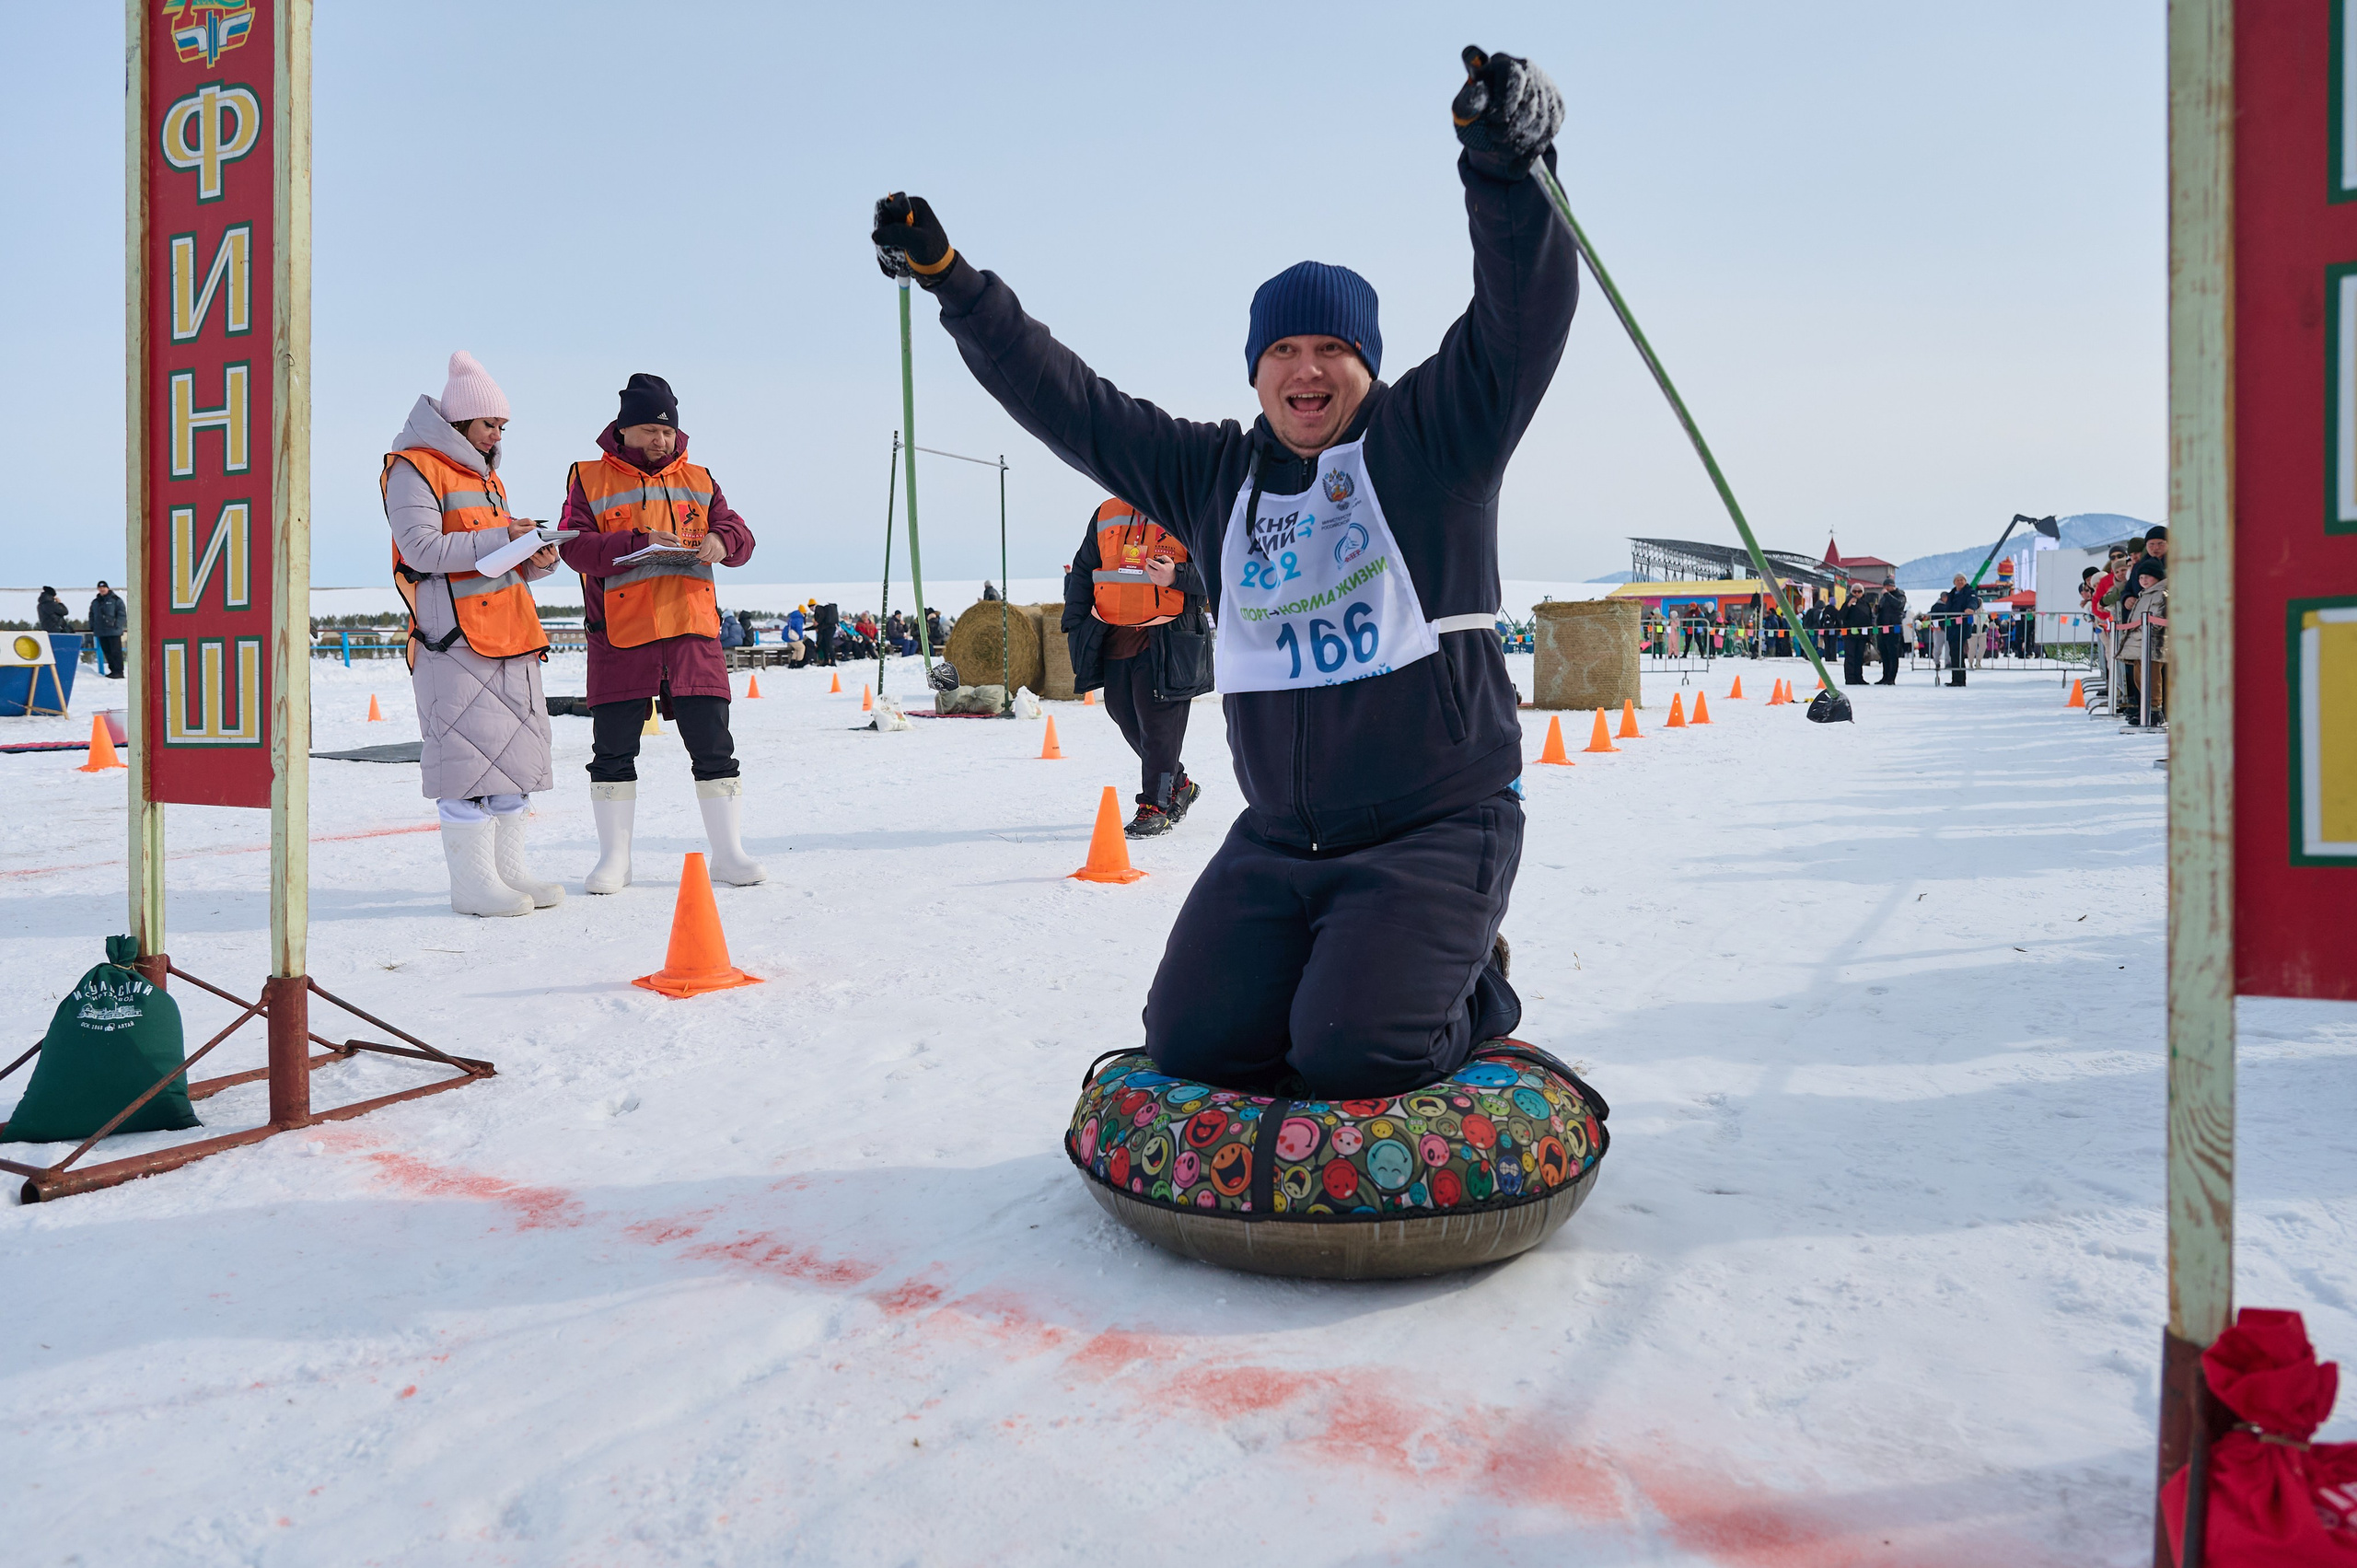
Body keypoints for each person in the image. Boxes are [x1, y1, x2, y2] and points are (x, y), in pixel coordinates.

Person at [875, 43, 1569, 1098]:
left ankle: (1468, 985)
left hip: (1437, 821)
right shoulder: (1214, 475)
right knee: (1194, 1044)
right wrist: (954, 286)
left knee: (1352, 1054)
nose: (1306, 367)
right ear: (1254, 370)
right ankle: (1362, 967)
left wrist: (1504, 169)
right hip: (1281, 838)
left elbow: (1518, 323)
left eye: (1330, 348)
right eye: (1281, 349)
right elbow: (1073, 403)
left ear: (1365, 365)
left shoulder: (1434, 444)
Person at [558, 373, 764, 892]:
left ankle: (729, 854)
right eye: (649, 429)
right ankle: (615, 861)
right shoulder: (587, 478)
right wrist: (634, 541)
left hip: (693, 634)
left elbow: (743, 536)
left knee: (715, 746)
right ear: (623, 431)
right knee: (612, 750)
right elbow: (572, 547)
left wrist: (722, 539)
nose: (660, 440)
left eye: (667, 431)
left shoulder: (700, 478)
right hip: (619, 636)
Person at [380, 351, 565, 918]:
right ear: (459, 422)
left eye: (502, 427)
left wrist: (535, 556)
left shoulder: (488, 477)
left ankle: (510, 874)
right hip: (453, 639)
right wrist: (502, 537)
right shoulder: (411, 467)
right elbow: (421, 549)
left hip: (509, 631)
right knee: (464, 765)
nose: (496, 435)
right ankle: (472, 886)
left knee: (514, 761)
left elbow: (491, 552)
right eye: (490, 424)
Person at [1064, 496, 1214, 836]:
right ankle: (1179, 784)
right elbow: (1085, 569)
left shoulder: (1186, 506)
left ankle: (1155, 806)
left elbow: (1220, 570)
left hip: (1168, 636)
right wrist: (1075, 624)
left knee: (1159, 724)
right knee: (1121, 711)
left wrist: (1178, 575)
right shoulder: (1106, 512)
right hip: (1115, 632)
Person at [1934, 573, 1980, 687]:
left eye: (1962, 580)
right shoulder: (1952, 594)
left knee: (1959, 653)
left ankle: (1961, 679)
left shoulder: (1969, 592)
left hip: (1962, 627)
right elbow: (1947, 609)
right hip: (1952, 627)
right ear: (1954, 582)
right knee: (1953, 654)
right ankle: (1955, 678)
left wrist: (1971, 608)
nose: (1960, 582)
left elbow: (1974, 601)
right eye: (1957, 580)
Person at [87, 582, 127, 678]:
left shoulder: (116, 600)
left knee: (116, 652)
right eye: (100, 588)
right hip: (101, 631)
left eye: (104, 587)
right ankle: (113, 670)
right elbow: (91, 614)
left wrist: (117, 625)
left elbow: (122, 614)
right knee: (107, 652)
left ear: (108, 588)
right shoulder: (95, 602)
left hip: (113, 631)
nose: (102, 589)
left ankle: (119, 671)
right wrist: (92, 626)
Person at [1874, 576, 1906, 685]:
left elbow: (1898, 605)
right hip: (1883, 628)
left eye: (1888, 586)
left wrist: (1887, 595)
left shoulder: (1900, 595)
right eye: (1885, 586)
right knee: (1884, 653)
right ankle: (1885, 676)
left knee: (1892, 653)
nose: (1886, 588)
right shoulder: (1883, 598)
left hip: (1894, 628)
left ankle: (1891, 677)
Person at [1840, 586, 1873, 685]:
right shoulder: (1847, 602)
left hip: (1862, 635)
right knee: (1850, 656)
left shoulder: (1866, 604)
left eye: (1859, 591)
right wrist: (1848, 605)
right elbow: (1841, 616)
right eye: (1854, 591)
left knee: (1859, 657)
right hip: (1850, 635)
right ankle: (1850, 678)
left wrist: (1869, 635)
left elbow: (1869, 619)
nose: (1857, 593)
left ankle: (1859, 677)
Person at [813, 602, 840, 666]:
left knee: (828, 645)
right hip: (829, 628)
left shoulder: (818, 609)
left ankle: (832, 661)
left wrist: (817, 622)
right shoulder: (822, 610)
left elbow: (821, 617)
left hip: (828, 629)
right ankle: (827, 660)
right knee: (825, 645)